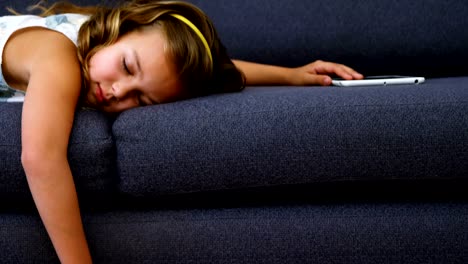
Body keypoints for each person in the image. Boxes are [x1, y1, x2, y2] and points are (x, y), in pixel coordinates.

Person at [0, 0, 363, 262]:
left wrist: (293, 75)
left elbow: (205, 73)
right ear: (119, 29)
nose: (118, 91)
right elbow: (41, 159)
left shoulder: (111, 50)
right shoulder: (58, 55)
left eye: (141, 98)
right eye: (127, 66)